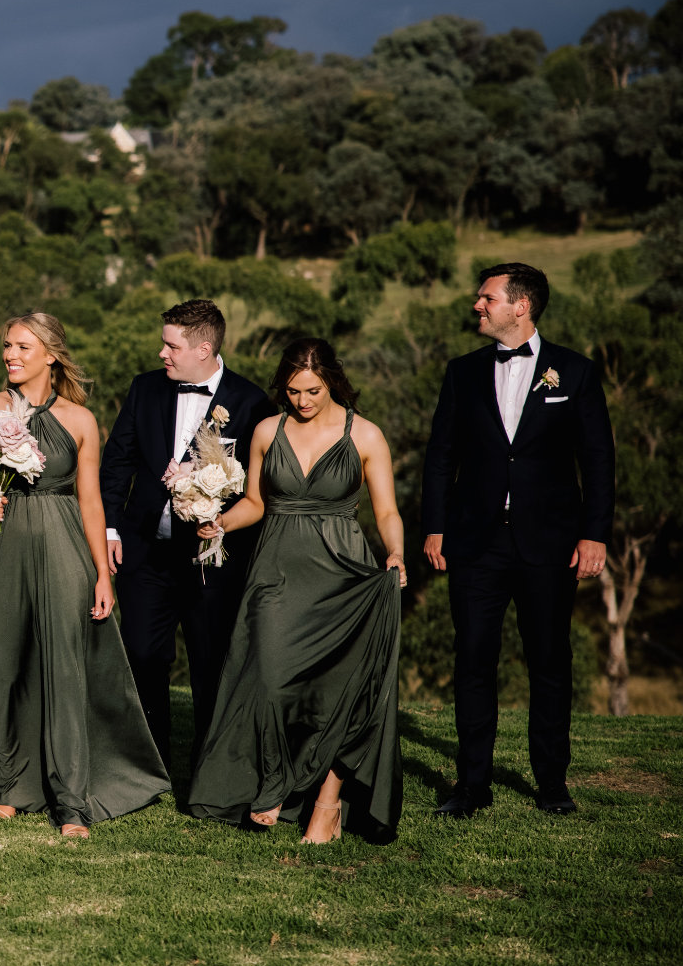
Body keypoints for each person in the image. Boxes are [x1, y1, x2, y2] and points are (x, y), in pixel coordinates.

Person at [0, 314, 168, 836]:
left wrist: (103, 577)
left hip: (64, 545)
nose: (9, 354)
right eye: (6, 345)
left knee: (62, 666)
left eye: (23, 345)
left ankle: (70, 798)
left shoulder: (81, 420)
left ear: (51, 354)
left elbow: (91, 501)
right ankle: (7, 783)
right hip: (0, 548)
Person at [187, 339, 406, 843]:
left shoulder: (366, 435)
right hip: (277, 571)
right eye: (293, 391)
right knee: (267, 680)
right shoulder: (268, 430)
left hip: (343, 572)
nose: (303, 401)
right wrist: (218, 522)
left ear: (332, 381)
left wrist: (395, 552)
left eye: (312, 390)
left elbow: (387, 511)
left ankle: (326, 804)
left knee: (338, 690)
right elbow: (256, 504)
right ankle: (273, 783)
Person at [423, 263, 613, 819]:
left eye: (486, 299)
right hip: (475, 544)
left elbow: (597, 460)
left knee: (549, 661)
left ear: (520, 305)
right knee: (474, 661)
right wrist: (435, 526)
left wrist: (594, 534)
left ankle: (552, 783)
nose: (477, 306)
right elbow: (441, 456)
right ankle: (472, 786)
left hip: (549, 545)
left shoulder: (575, 373)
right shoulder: (461, 373)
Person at [98, 299, 271, 778]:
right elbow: (117, 464)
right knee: (142, 654)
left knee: (210, 660)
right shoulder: (144, 390)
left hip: (212, 558)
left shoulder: (253, 402)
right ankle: (148, 766)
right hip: (145, 553)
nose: (162, 354)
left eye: (171, 346)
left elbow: (261, 487)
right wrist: (111, 528)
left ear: (204, 347)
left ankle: (209, 768)